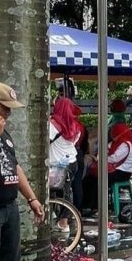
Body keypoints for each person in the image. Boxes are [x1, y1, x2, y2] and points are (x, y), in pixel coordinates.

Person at [0, 83, 44, 261]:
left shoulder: (3, 131)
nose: (8, 113)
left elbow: (14, 166)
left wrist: (31, 197)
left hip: (9, 207)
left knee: (10, 260)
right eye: (5, 107)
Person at [81, 123, 132, 214]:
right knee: (88, 179)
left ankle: (95, 207)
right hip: (111, 169)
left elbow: (114, 158)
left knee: (101, 181)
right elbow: (102, 151)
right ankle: (85, 205)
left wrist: (102, 157)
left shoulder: (126, 144)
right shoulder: (113, 143)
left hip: (122, 172)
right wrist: (102, 156)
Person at [49, 97, 83, 232]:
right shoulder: (76, 126)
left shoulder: (53, 124)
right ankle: (63, 221)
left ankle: (62, 222)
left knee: (53, 192)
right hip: (71, 162)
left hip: (56, 165)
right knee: (66, 192)